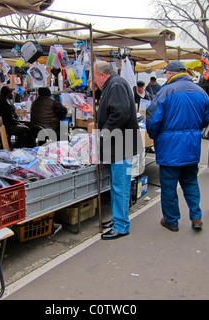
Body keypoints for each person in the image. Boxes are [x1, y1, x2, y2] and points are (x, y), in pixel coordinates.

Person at [146, 60, 209, 232]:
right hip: (191, 147)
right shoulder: (201, 92)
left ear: (170, 73)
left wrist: (154, 136)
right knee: (190, 182)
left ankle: (171, 220)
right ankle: (196, 216)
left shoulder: (165, 91)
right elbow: (205, 120)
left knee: (169, 185)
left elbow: (152, 119)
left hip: (169, 148)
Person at [93, 61, 142, 240]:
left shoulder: (116, 84)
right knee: (116, 186)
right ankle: (117, 219)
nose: (94, 80)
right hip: (119, 145)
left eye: (95, 76)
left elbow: (120, 114)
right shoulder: (113, 84)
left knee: (120, 186)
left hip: (122, 145)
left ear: (102, 75)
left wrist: (104, 133)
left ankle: (122, 226)